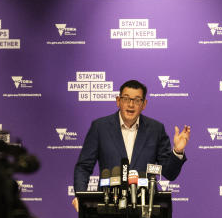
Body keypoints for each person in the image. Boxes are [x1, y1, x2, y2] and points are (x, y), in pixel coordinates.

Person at [72, 79, 191, 209]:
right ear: (118, 101)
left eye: (137, 100)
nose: (131, 104)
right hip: (108, 204)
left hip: (146, 206)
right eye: (126, 99)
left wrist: (177, 151)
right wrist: (80, 196)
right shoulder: (100, 127)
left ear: (144, 104)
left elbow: (169, 173)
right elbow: (83, 167)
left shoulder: (156, 130)